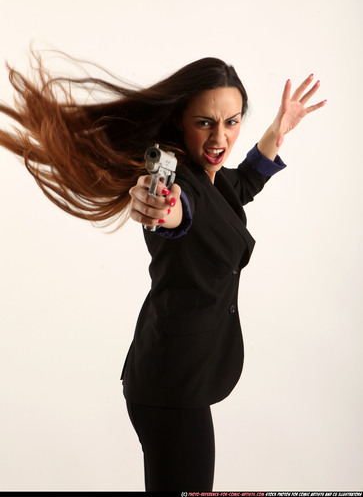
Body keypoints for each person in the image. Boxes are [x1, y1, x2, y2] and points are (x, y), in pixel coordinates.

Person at [0, 52, 326, 491]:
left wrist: (278, 129)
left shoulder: (208, 177)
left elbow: (242, 183)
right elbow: (172, 209)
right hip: (172, 387)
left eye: (231, 122)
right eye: (205, 122)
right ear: (178, 122)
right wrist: (157, 205)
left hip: (179, 379)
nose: (220, 137)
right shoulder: (181, 185)